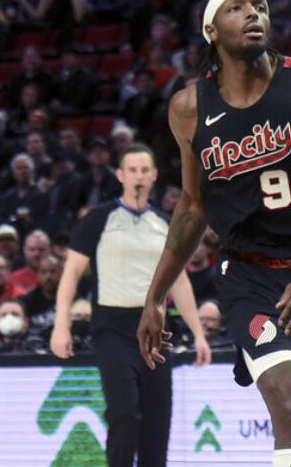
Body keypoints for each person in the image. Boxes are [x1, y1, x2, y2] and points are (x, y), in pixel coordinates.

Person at [138, 0, 291, 467]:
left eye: (261, 6)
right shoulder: (188, 108)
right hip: (250, 276)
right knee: (288, 405)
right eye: (237, 7)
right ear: (211, 30)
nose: (254, 14)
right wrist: (156, 295)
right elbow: (191, 207)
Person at [51, 144, 211, 467]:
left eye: (144, 171)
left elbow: (179, 281)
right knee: (123, 414)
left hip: (156, 333)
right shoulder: (98, 220)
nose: (138, 177)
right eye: (132, 170)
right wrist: (61, 325)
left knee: (157, 426)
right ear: (121, 175)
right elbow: (70, 275)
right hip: (111, 329)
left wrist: (198, 333)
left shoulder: (166, 223)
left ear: (153, 176)